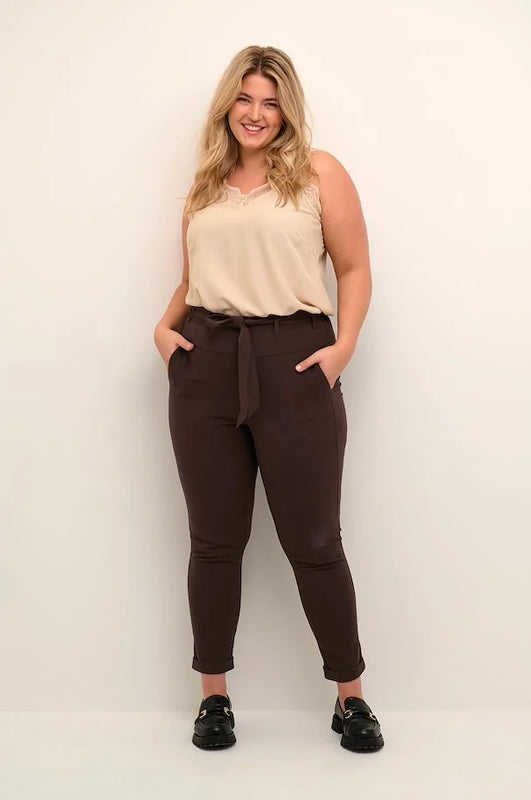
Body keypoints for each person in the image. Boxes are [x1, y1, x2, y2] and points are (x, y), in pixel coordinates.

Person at [154, 45, 384, 753]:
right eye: (245, 98)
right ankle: (213, 698)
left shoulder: (318, 172)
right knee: (213, 541)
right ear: (228, 103)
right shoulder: (205, 184)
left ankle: (350, 697)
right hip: (207, 360)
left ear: (287, 110)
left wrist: (342, 348)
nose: (256, 113)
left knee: (314, 540)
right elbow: (193, 277)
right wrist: (164, 329)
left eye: (271, 102)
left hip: (294, 359)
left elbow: (353, 267)